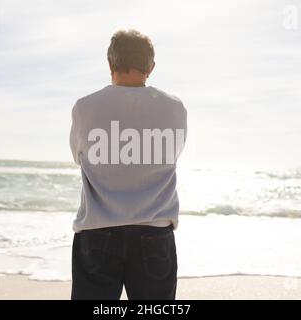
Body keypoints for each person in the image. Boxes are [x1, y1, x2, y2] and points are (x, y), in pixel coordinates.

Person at [69, 29, 187, 300]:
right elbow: (171, 155)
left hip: (97, 233)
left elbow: (79, 156)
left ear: (110, 63)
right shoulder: (175, 107)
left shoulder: (85, 107)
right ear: (152, 68)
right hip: (154, 233)